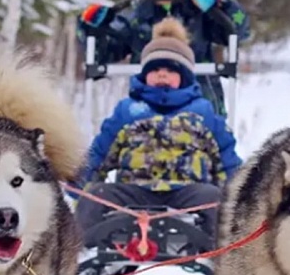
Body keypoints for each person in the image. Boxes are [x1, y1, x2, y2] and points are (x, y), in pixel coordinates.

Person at [71, 17, 242, 243]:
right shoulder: (128, 110)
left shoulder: (203, 112)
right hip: (133, 190)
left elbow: (226, 157)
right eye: (155, 70)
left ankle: (225, 256)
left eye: (171, 70)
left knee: (215, 200)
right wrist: (79, 185)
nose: (162, 75)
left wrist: (242, 192)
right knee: (96, 196)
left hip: (187, 191)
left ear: (184, 77)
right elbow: (100, 154)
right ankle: (81, 253)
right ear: (144, 75)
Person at [76, 0, 251, 117]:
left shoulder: (201, 16)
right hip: (146, 111)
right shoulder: (135, 19)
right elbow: (102, 54)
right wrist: (93, 26)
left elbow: (239, 32)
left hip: (201, 109)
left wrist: (222, 3)